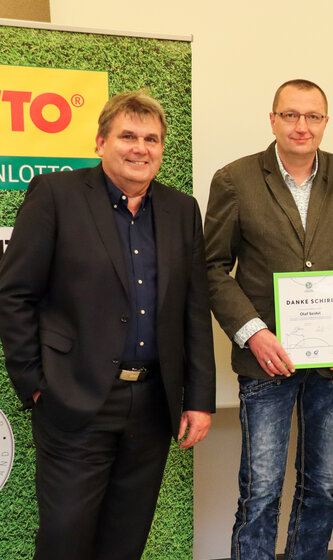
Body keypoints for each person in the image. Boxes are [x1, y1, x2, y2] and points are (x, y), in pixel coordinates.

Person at [0, 91, 216, 560]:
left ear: (162, 150)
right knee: (65, 539)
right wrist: (35, 385)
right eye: (128, 136)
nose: (141, 148)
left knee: (126, 540)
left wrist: (198, 400)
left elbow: (194, 311)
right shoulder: (56, 195)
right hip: (73, 400)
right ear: (100, 142)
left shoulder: (182, 210)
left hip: (152, 404)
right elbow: (14, 294)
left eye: (152, 139)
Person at [204, 79, 333, 560]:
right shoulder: (234, 179)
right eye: (291, 115)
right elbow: (213, 267)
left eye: (313, 116)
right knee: (260, 494)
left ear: (326, 122)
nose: (302, 126)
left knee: (321, 489)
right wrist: (253, 333)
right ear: (272, 120)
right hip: (266, 362)